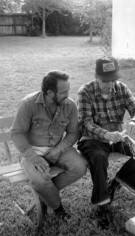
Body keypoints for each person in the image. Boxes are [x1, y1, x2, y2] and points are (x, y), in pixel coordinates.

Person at [77, 57, 135, 225]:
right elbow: (86, 123)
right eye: (105, 80)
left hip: (117, 137)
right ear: (96, 76)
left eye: (113, 79)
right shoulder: (85, 92)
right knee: (98, 157)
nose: (110, 84)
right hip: (92, 139)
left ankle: (116, 183)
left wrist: (134, 121)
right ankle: (103, 207)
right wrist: (105, 134)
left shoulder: (122, 88)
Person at [11, 70, 87, 220]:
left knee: (80, 167)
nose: (68, 95)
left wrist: (59, 149)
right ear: (50, 92)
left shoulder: (70, 105)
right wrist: (34, 158)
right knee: (40, 179)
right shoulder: (28, 104)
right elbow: (17, 133)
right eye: (64, 92)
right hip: (32, 152)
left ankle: (45, 193)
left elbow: (73, 133)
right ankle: (59, 209)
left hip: (59, 148)